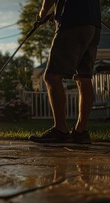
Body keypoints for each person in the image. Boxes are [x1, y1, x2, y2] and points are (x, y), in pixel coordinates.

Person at [29, 0, 101, 144]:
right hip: (93, 25)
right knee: (84, 78)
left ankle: (60, 130)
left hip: (72, 22)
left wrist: (42, 14)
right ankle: (81, 132)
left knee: (52, 77)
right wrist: (56, 14)